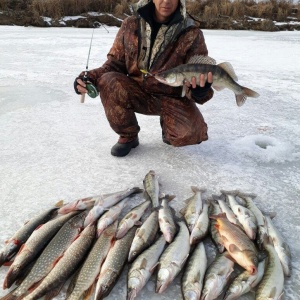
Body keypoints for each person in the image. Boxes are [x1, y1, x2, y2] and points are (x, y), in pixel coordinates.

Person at [74, 0, 213, 157]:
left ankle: (168, 126)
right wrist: (88, 78)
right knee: (108, 81)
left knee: (191, 133)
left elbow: (200, 72)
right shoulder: (130, 24)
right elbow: (114, 64)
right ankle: (129, 136)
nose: (166, 1)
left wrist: (200, 91)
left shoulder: (191, 33)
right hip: (136, 91)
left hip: (172, 96)